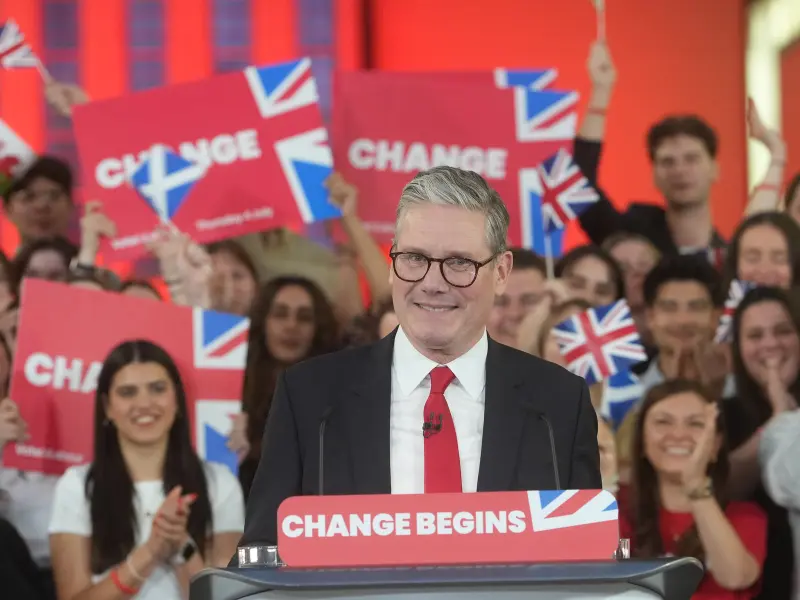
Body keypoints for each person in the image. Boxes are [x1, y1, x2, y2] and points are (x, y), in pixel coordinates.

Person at [236, 166, 601, 548]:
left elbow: (585, 561)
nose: (432, 283)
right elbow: (262, 558)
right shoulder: (310, 396)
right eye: (414, 258)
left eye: (459, 262)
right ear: (392, 262)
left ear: (501, 272)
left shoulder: (559, 403)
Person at [48, 340, 244, 600]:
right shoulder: (76, 486)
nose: (144, 403)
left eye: (158, 389)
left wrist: (180, 545)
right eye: (128, 392)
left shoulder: (220, 483)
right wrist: (150, 552)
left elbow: (227, 597)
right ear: (107, 406)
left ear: (176, 399)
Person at [621, 379, 767, 597]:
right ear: (641, 441)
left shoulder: (744, 517)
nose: (679, 434)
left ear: (715, 445)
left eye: (696, 424)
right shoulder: (613, 510)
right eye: (663, 422)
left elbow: (734, 577)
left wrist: (695, 484)